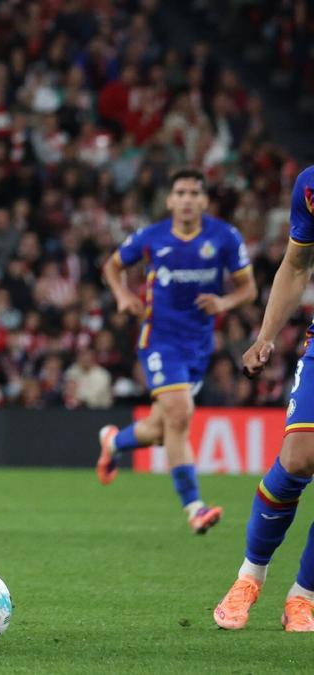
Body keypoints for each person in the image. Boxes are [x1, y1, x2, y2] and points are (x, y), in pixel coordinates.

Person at [95, 169, 256, 533]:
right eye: (180, 192)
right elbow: (112, 266)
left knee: (160, 427)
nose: (186, 199)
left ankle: (114, 441)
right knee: (180, 414)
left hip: (198, 347)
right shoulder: (152, 237)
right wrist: (123, 296)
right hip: (160, 341)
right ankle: (194, 507)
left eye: (193, 193)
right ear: (170, 201)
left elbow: (249, 289)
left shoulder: (225, 238)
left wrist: (224, 301)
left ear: (203, 200)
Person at [213, 166, 314, 632]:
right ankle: (250, 577)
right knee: (298, 458)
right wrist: (267, 336)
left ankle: (304, 596)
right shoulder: (310, 185)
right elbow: (296, 264)